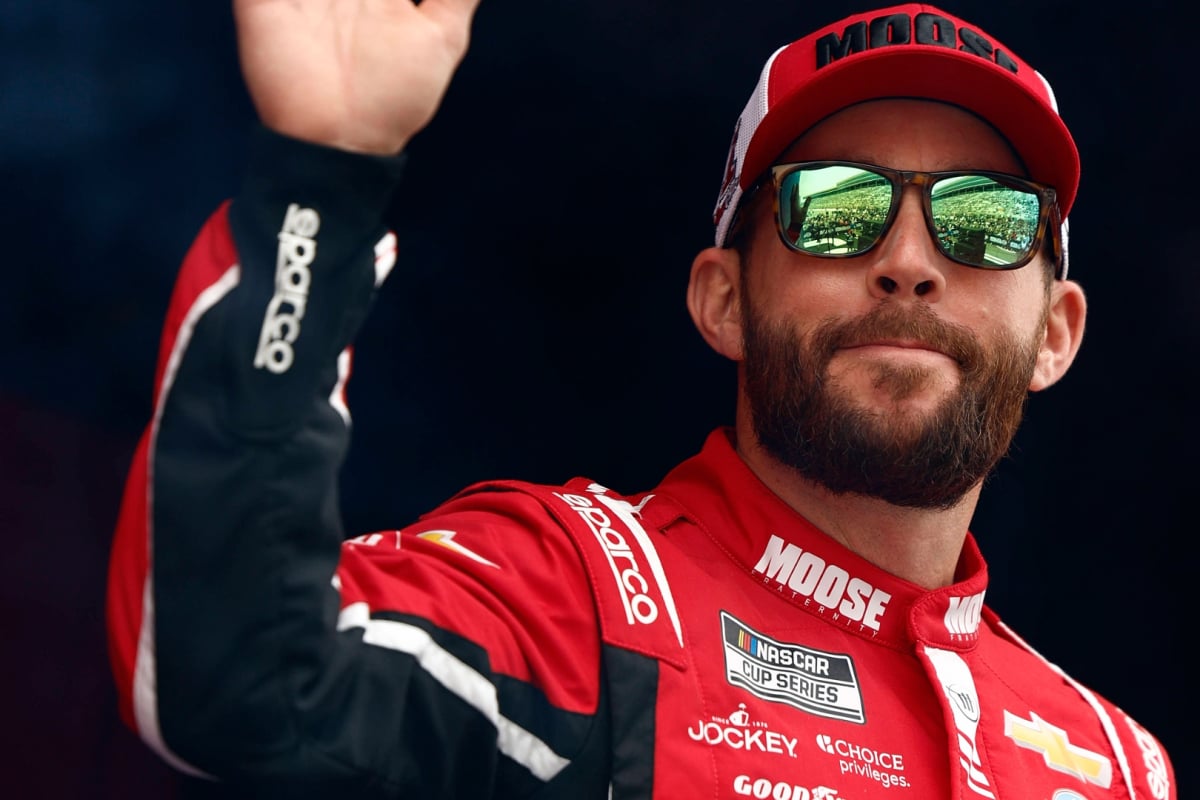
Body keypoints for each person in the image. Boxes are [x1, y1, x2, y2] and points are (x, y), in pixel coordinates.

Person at [105, 1, 1177, 797]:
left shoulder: (1118, 762)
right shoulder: (578, 593)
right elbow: (241, 676)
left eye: (984, 219)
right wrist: (323, 171)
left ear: (1056, 332)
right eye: (833, 207)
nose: (906, 258)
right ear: (724, 299)